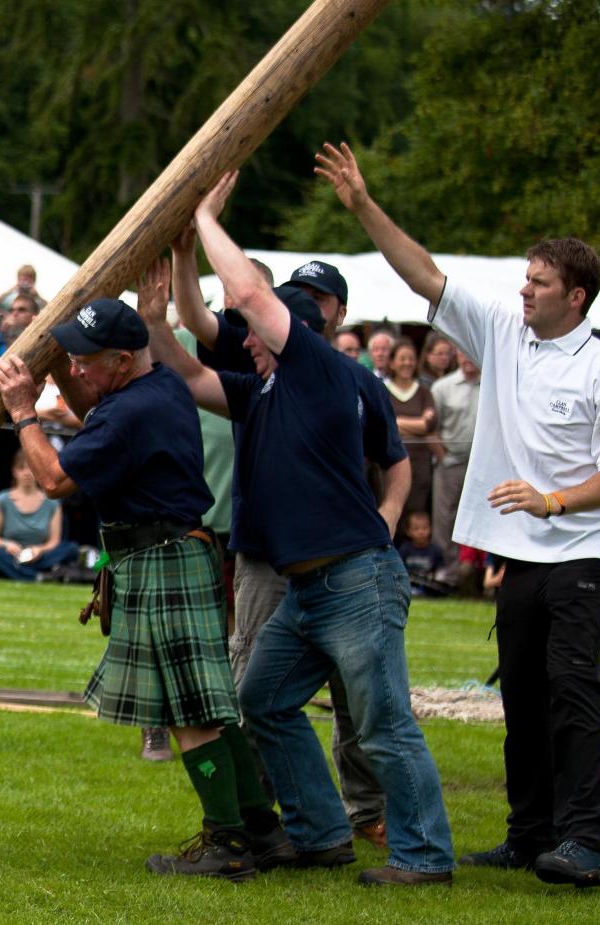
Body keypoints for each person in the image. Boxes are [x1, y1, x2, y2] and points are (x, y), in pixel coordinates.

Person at [319, 140, 600, 888]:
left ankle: (585, 842)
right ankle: (529, 834)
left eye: (539, 283)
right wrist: (363, 205)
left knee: (572, 689)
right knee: (522, 696)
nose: (524, 292)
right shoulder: (503, 331)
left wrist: (554, 498)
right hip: (522, 552)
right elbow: (424, 274)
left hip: (584, 551)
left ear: (578, 296)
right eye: (524, 280)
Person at [147, 172, 455, 886]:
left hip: (354, 579)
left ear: (288, 332)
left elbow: (250, 295)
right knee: (263, 698)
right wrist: (158, 320)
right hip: (308, 589)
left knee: (381, 723)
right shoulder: (266, 391)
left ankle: (424, 855)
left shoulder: (319, 369)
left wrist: (204, 214)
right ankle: (320, 832)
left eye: (255, 331)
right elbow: (189, 374)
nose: (245, 339)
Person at [0, 296, 294, 881]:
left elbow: (53, 479)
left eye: (85, 361)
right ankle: (264, 831)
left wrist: (24, 411)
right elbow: (94, 421)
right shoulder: (157, 390)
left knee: (189, 709)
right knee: (210, 705)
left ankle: (227, 844)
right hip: (174, 554)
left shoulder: (130, 412)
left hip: (161, 562)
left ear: (123, 361)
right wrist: (57, 367)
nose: (76, 370)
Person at [166, 225, 389, 851]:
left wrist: (390, 518)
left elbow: (394, 457)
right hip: (267, 549)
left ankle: (364, 809)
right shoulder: (256, 360)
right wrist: (185, 252)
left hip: (341, 553)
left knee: (357, 693)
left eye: (317, 298)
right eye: (294, 294)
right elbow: (193, 328)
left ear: (338, 313)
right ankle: (263, 817)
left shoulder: (347, 377)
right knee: (255, 686)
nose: (302, 307)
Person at [0, 451, 78, 581]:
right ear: (14, 471)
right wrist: (7, 545)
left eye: (31, 468)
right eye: (21, 468)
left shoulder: (52, 502)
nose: (27, 473)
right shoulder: (1, 499)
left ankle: (17, 572)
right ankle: (36, 576)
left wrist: (40, 550)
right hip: (11, 553)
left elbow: (54, 541)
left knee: (71, 550)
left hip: (40, 554)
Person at [429, 349, 480, 566]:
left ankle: (474, 574)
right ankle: (446, 573)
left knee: (479, 518)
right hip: (450, 463)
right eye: (462, 351)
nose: (467, 356)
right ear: (456, 355)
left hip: (481, 466)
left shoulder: (494, 385)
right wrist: (443, 457)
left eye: (472, 350)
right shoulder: (442, 387)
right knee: (444, 517)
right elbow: (431, 429)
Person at [385, 337, 437, 527]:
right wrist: (415, 424)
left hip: (419, 464)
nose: (407, 363)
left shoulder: (424, 392)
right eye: (402, 358)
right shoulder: (382, 390)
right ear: (392, 362)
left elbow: (427, 426)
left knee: (418, 518)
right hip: (390, 464)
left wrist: (398, 422)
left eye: (411, 358)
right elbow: (384, 425)